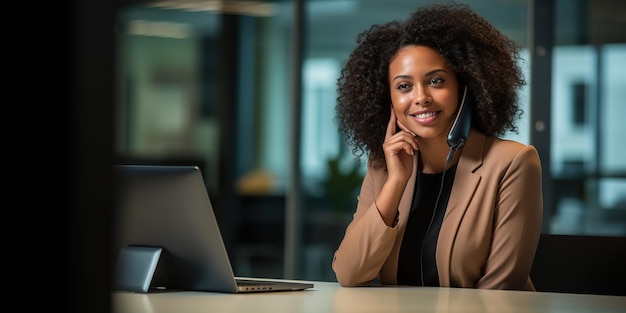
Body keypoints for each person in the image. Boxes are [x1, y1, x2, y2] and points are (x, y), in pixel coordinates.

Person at [332, 3, 543, 291]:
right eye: (404, 86)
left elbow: (500, 291)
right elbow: (349, 273)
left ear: (465, 87)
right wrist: (395, 182)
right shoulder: (383, 165)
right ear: (388, 100)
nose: (421, 97)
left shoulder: (513, 162)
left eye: (435, 81)